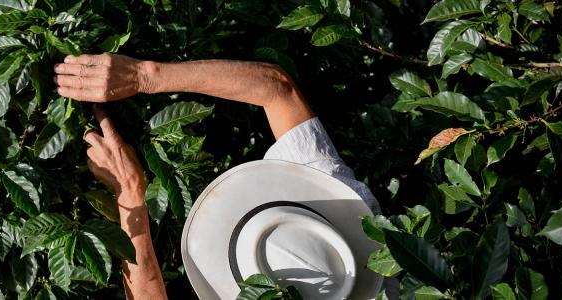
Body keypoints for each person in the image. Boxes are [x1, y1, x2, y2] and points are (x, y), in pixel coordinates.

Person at [53, 54, 382, 299]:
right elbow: (277, 90)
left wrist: (129, 193)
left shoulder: (352, 232)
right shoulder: (344, 210)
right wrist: (143, 75)